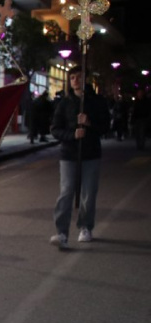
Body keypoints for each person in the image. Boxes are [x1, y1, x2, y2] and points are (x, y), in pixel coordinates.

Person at [49, 66, 110, 249]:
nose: (75, 80)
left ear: (86, 79)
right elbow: (55, 129)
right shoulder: (64, 103)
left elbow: (106, 127)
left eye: (79, 77)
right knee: (66, 192)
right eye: (72, 77)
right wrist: (72, 135)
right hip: (69, 154)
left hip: (91, 154)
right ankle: (62, 232)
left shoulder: (97, 102)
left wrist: (89, 123)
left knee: (88, 193)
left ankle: (85, 226)